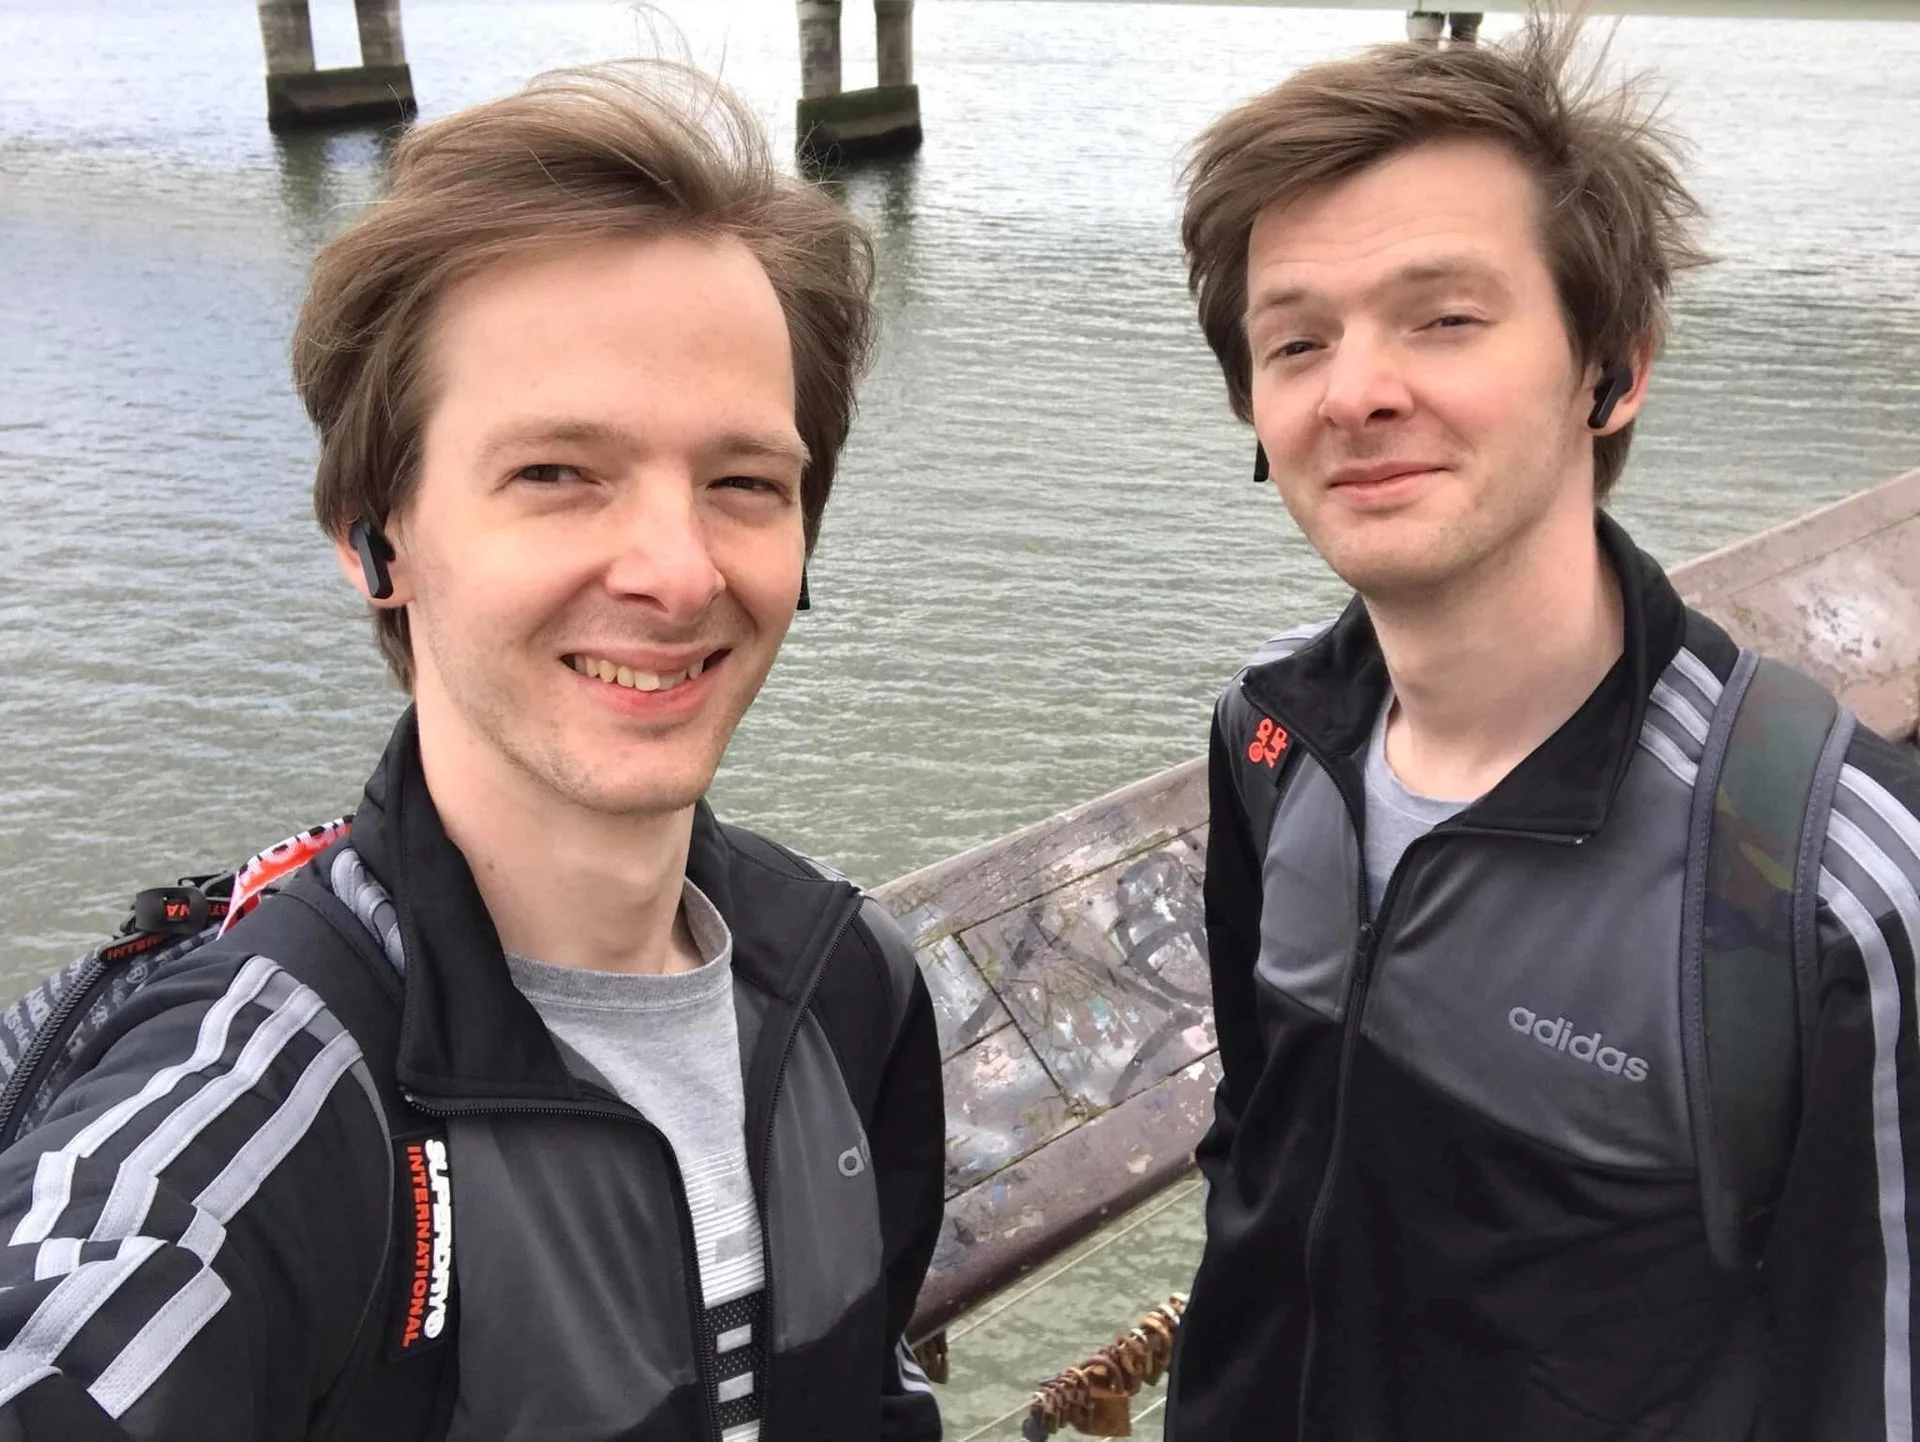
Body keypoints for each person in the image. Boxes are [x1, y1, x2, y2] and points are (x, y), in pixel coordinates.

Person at [0, 63, 945, 1442]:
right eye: (558, 472)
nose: (678, 572)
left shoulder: (847, 984)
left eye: (745, 482)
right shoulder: (274, 1101)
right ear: (376, 539)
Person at [1167, 14, 1920, 1440]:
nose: (1359, 389)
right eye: (1296, 340)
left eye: (1445, 318)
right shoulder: (1274, 744)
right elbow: (1256, 1153)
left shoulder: (1821, 891)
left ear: (1611, 369)